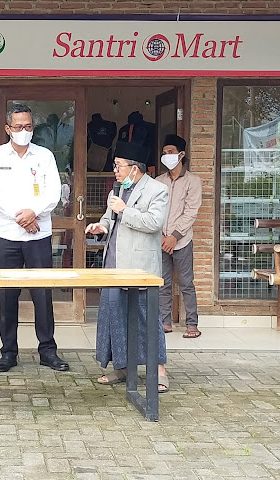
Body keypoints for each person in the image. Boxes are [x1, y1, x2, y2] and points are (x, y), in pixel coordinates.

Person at [0, 103, 68, 373]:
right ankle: (8, 352)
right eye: (18, 127)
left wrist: (34, 213)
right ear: (8, 128)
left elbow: (53, 192)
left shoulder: (44, 156)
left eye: (28, 126)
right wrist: (21, 218)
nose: (24, 131)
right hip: (6, 235)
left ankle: (48, 351)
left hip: (39, 236)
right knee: (8, 295)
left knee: (42, 293)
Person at [85, 141, 170, 392]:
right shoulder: (118, 189)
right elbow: (109, 218)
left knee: (146, 316)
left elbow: (154, 222)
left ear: (135, 168)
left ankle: (159, 370)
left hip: (140, 267)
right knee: (115, 315)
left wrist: (124, 211)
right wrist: (101, 226)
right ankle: (122, 367)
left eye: (119, 166)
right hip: (114, 263)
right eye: (115, 165)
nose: (115, 170)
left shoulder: (157, 190)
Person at [156, 134, 203, 338]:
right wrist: (161, 236)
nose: (167, 155)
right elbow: (154, 210)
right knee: (163, 283)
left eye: (171, 152)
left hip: (182, 241)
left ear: (181, 154)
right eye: (164, 152)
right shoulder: (158, 182)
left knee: (186, 284)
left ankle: (192, 324)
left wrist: (174, 236)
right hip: (161, 241)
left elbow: (191, 212)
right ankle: (164, 322)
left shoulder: (193, 181)